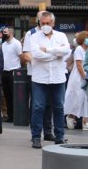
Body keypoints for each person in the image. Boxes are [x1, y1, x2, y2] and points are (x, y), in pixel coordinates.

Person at [28, 11, 70, 148]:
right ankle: (36, 137)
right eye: (43, 23)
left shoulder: (61, 36)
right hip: (40, 78)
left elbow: (66, 51)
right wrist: (55, 54)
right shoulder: (34, 37)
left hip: (58, 77)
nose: (45, 25)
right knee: (38, 107)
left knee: (59, 107)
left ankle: (60, 136)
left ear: (53, 23)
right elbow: (36, 55)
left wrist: (47, 50)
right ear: (39, 23)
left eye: (48, 23)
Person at [64, 31, 88, 131]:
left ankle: (85, 121)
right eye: (87, 37)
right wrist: (84, 77)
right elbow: (79, 65)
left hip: (85, 76)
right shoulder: (79, 49)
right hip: (78, 78)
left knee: (85, 99)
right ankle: (71, 116)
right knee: (76, 98)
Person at [1, 26, 22, 123]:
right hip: (4, 72)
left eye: (5, 32)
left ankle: (16, 115)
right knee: (7, 95)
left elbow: (21, 57)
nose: (3, 34)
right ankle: (9, 116)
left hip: (13, 72)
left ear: (10, 33)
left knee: (14, 95)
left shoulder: (17, 43)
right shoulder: (3, 44)